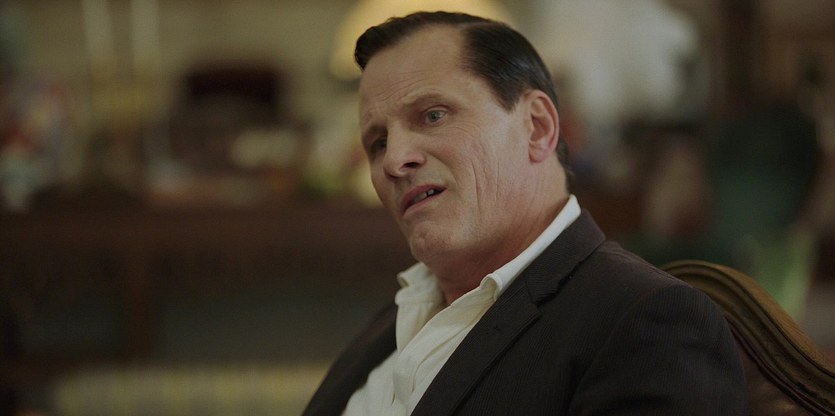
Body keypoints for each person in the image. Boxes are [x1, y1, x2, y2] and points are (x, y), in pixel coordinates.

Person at [304, 11, 747, 416]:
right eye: (378, 142)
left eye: (433, 115)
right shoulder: (392, 319)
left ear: (537, 127)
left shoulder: (648, 323)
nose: (394, 160)